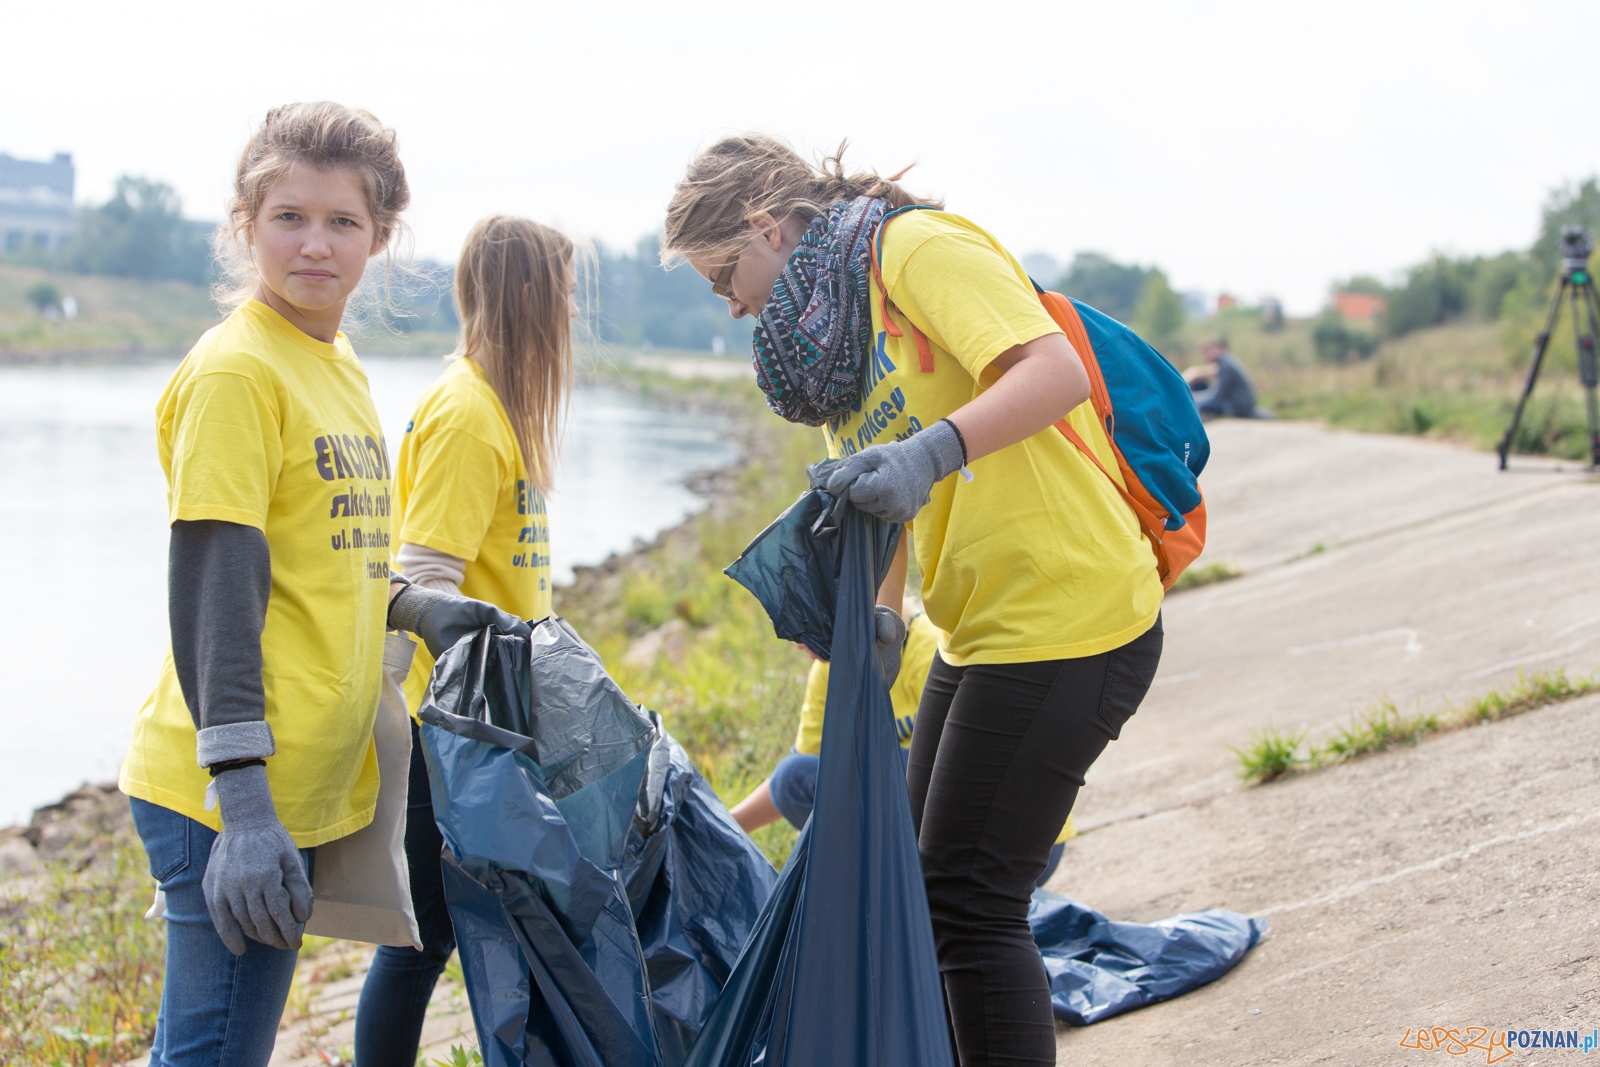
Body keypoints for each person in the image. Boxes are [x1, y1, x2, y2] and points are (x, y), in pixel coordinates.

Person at [663, 134, 1164, 1067]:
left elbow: (1053, 374)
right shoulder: (828, 338)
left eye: (722, 276)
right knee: (929, 897)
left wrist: (931, 452)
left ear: (768, 228)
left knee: (970, 904)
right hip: (980, 632)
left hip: (1072, 612)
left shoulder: (915, 252)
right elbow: (871, 494)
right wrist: (882, 623)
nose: (730, 306)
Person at [118, 102, 526, 1067]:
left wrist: (416, 605)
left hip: (296, 782)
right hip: (231, 790)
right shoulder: (237, 373)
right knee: (217, 1054)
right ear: (244, 224)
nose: (315, 244)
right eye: (288, 217)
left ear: (379, 236)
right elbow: (215, 584)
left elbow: (331, 559)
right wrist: (244, 802)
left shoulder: (332, 361)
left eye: (343, 221)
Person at [354, 216, 578, 1066]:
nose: (568, 317)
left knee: (450, 937)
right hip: (450, 737)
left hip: (491, 731)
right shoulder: (465, 414)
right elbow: (421, 583)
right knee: (419, 945)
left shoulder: (494, 409)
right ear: (526, 294)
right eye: (559, 294)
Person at [730, 615, 1075, 888]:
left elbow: (977, 781)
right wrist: (727, 825)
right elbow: (796, 781)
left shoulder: (929, 649)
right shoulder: (828, 672)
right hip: (931, 840)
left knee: (909, 768)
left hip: (1016, 848)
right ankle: (896, 900)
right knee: (793, 778)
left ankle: (903, 899)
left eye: (799, 619)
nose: (792, 639)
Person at [1184, 337, 1270, 419]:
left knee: (1199, 404)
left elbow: (1218, 394)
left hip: (1237, 406)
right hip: (1237, 401)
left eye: (1208, 351)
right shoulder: (1225, 361)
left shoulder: (1225, 366)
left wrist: (1197, 397)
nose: (1206, 355)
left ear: (1218, 349)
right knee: (1198, 388)